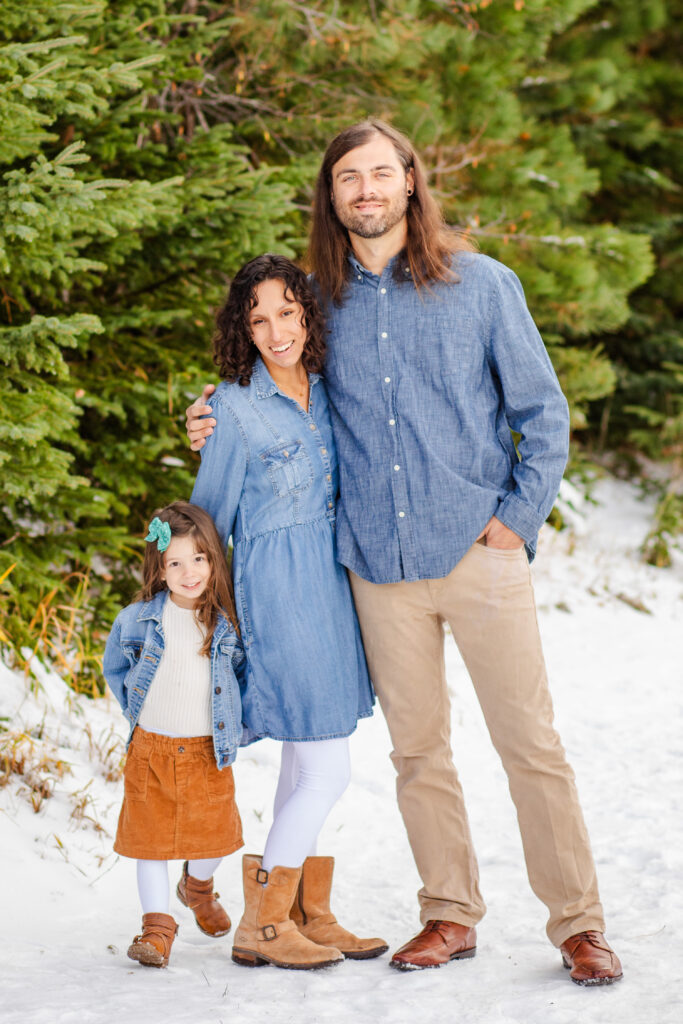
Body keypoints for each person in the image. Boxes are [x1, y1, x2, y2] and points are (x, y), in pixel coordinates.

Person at [187, 121, 622, 986]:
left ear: (411, 182)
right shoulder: (315, 303)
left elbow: (543, 414)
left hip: (476, 551)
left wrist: (513, 522)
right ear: (333, 196)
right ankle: (448, 913)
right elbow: (264, 378)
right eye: (348, 177)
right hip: (376, 572)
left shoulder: (482, 285)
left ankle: (577, 924)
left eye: (380, 172)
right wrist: (207, 411)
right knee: (418, 753)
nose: (366, 189)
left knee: (529, 744)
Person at [189, 254, 387, 970]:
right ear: (243, 329)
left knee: (308, 761)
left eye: (286, 312)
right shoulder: (233, 408)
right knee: (328, 768)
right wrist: (176, 593)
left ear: (307, 315)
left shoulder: (330, 390)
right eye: (258, 317)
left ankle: (310, 912)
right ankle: (264, 925)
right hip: (276, 592)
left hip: (333, 586)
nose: (275, 330)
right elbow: (205, 519)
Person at [103, 501, 245, 969]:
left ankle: (197, 885)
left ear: (213, 561)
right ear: (160, 569)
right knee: (150, 843)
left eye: (199, 559)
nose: (189, 573)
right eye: (176, 563)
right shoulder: (138, 619)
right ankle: (157, 929)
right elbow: (117, 668)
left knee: (215, 841)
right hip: (151, 750)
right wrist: (138, 714)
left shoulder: (224, 623)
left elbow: (240, 676)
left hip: (207, 752)